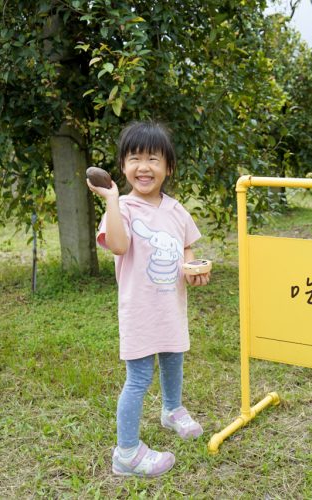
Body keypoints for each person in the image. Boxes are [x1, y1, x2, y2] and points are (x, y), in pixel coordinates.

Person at [87, 121, 211, 477]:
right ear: (123, 166)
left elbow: (186, 246)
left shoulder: (175, 209)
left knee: (174, 360)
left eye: (153, 159)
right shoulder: (122, 208)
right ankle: (126, 453)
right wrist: (111, 200)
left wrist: (193, 267)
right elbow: (119, 245)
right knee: (139, 378)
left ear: (168, 167)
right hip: (139, 311)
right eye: (135, 158)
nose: (144, 167)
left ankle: (172, 410)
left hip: (171, 306)